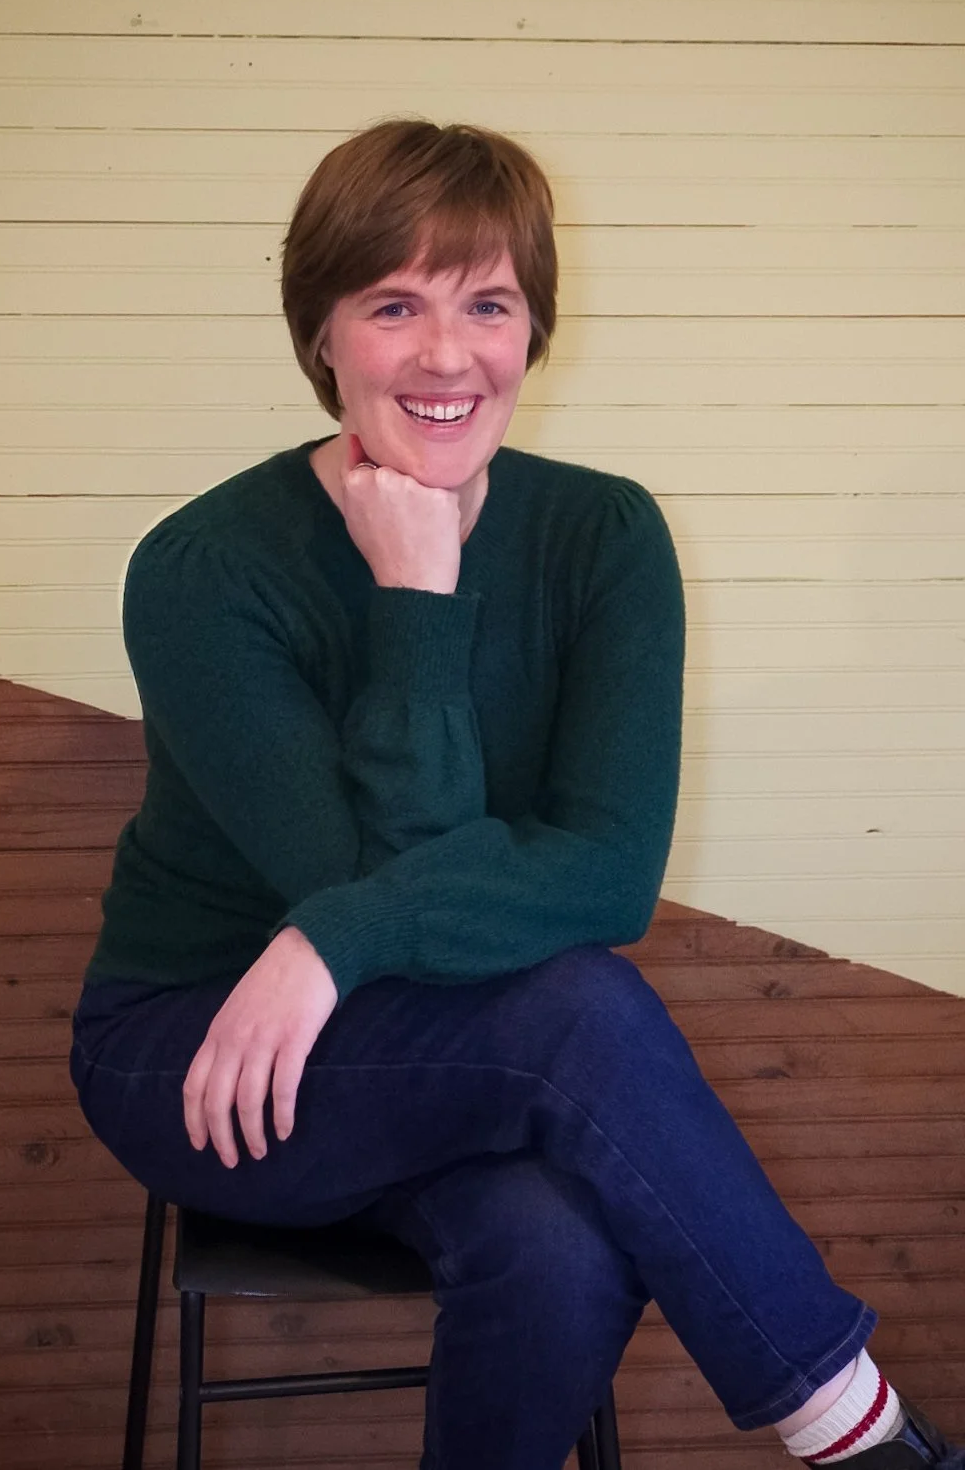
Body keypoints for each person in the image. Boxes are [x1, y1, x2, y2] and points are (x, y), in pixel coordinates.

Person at [70, 118, 962, 1470]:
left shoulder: (603, 537)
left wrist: (336, 938)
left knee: (559, 1248)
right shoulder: (206, 570)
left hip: (459, 1052)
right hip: (213, 1051)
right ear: (320, 333)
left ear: (535, 327)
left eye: (487, 303)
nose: (448, 355)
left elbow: (606, 876)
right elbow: (357, 872)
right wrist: (416, 602)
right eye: (394, 305)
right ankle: (864, 1438)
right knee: (577, 1011)